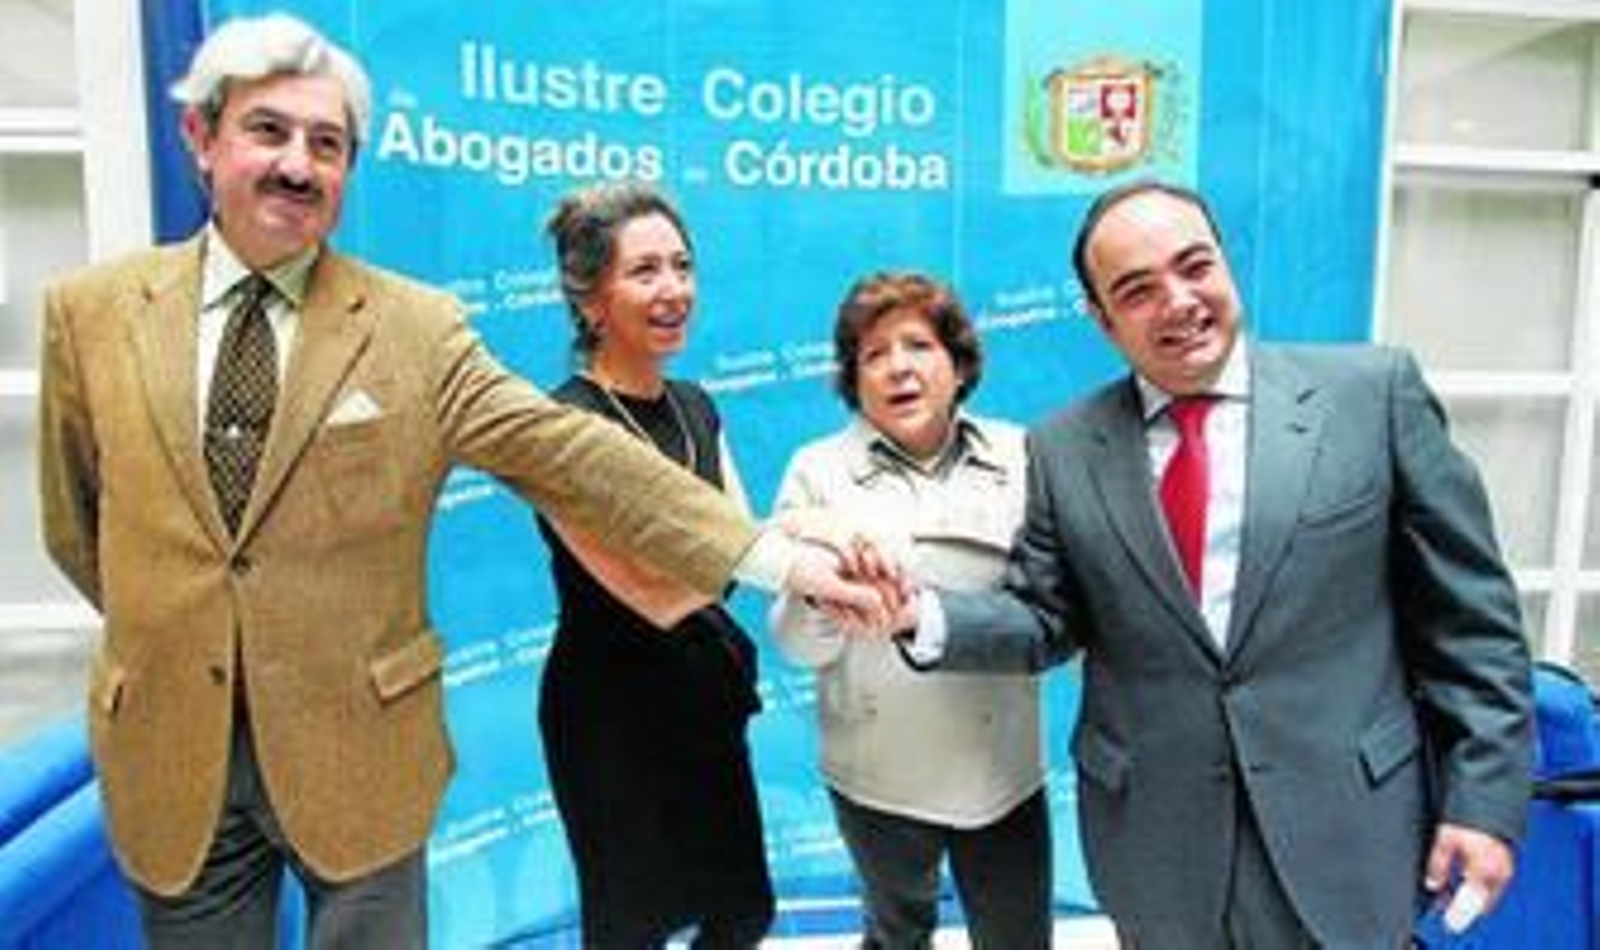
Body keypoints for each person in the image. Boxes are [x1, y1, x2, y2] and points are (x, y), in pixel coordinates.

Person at [34, 14, 887, 948]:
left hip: (358, 750)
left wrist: (773, 555)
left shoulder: (417, 327)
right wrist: (185, 627)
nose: (298, 165)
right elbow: (82, 525)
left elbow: (572, 454)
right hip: (175, 751)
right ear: (201, 137)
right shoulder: (90, 315)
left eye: (327, 144)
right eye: (268, 131)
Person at [878, 180, 1534, 947]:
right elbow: (1046, 618)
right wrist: (918, 614)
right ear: (1102, 320)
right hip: (1159, 843)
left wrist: (1483, 804)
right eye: (1138, 290)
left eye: (1195, 267)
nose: (1180, 301)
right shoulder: (1062, 449)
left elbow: (1472, 626)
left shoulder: (1372, 396)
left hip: (1349, 827)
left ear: (1226, 263)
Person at [769, 272, 1052, 949]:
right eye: (873, 354)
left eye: (918, 345)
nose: (898, 367)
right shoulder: (816, 473)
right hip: (877, 777)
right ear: (853, 378)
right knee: (896, 934)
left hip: (1002, 773)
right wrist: (827, 592)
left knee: (1018, 938)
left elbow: (1049, 613)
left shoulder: (1026, 456)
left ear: (957, 364)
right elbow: (796, 647)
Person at [536, 182, 773, 947]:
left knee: (743, 911)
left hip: (701, 690)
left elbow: (739, 543)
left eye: (682, 265)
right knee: (631, 927)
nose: (673, 289)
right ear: (591, 299)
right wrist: (783, 557)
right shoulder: (561, 425)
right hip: (609, 711)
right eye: (644, 272)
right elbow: (655, 590)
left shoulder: (697, 404)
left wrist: (794, 547)